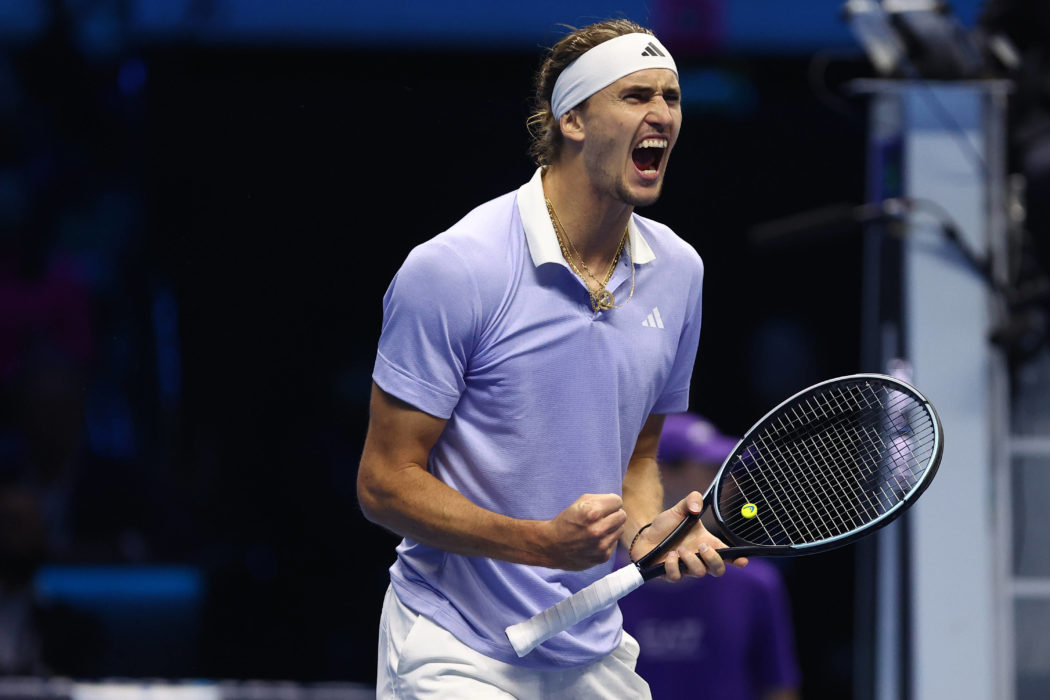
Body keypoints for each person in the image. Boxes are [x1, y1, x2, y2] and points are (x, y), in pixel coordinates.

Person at [357, 18, 745, 698]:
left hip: (589, 643)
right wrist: (538, 543)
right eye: (634, 96)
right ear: (573, 119)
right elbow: (384, 483)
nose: (662, 115)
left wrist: (648, 530)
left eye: (671, 97)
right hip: (456, 647)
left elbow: (636, 458)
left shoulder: (680, 271)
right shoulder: (456, 268)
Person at [618, 413, 802, 700]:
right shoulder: (597, 582)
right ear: (659, 473)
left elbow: (778, 689)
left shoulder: (757, 583)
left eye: (729, 471)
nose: (731, 485)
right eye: (713, 469)